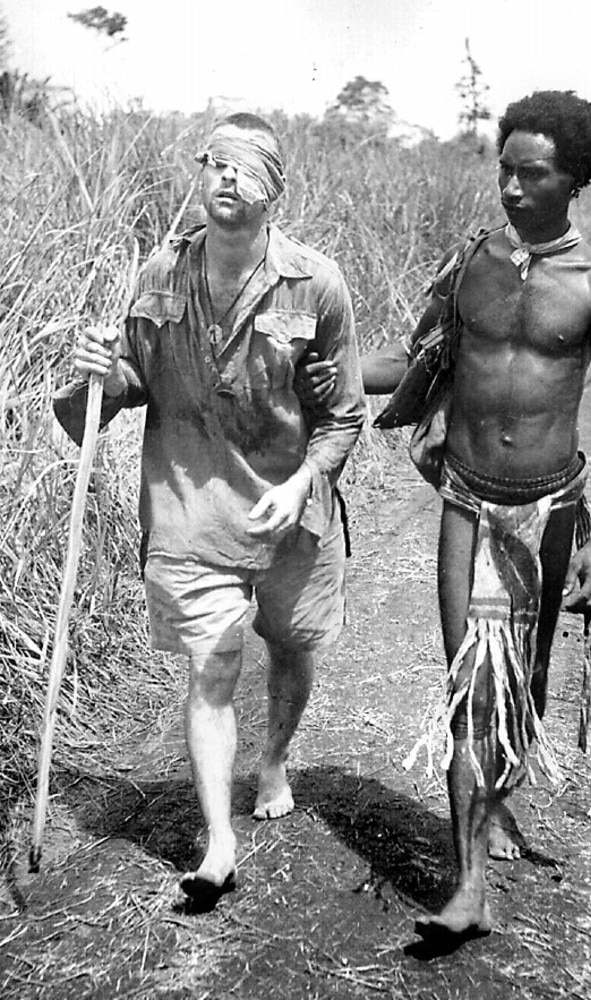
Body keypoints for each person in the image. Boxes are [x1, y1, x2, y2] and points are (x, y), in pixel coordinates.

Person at [300, 90, 591, 941]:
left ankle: (498, 805)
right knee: (468, 692)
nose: (512, 189)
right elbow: (409, 364)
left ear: (574, 180)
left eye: (533, 175)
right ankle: (470, 887)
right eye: (505, 171)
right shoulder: (469, 267)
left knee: (527, 680)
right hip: (468, 500)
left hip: (553, 509)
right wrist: (320, 370)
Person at [54, 112, 365, 910]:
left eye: (247, 165)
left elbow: (345, 415)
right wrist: (96, 372)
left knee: (291, 648)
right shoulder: (159, 275)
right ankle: (219, 839)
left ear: (276, 188)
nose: (227, 177)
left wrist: (305, 482)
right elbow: (116, 396)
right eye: (215, 163)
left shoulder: (317, 284)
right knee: (212, 668)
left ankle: (274, 759)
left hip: (290, 508)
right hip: (193, 507)